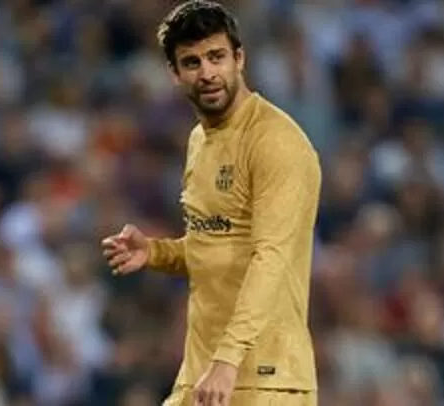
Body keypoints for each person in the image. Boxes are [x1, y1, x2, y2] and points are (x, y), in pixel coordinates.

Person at [101, 1, 321, 405]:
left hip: (264, 379)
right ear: (174, 73)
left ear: (240, 58)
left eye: (216, 57)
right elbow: (218, 243)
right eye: (192, 62)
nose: (206, 73)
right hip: (204, 374)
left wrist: (228, 358)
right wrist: (156, 252)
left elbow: (271, 256)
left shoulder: (277, 142)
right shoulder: (199, 141)